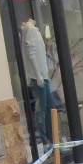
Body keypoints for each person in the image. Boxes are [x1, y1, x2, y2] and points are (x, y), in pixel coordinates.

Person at [22, 18, 55, 149]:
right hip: (39, 77)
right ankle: (46, 141)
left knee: (50, 107)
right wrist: (38, 75)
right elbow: (31, 54)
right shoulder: (29, 29)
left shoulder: (33, 30)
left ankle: (52, 140)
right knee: (43, 109)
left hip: (43, 75)